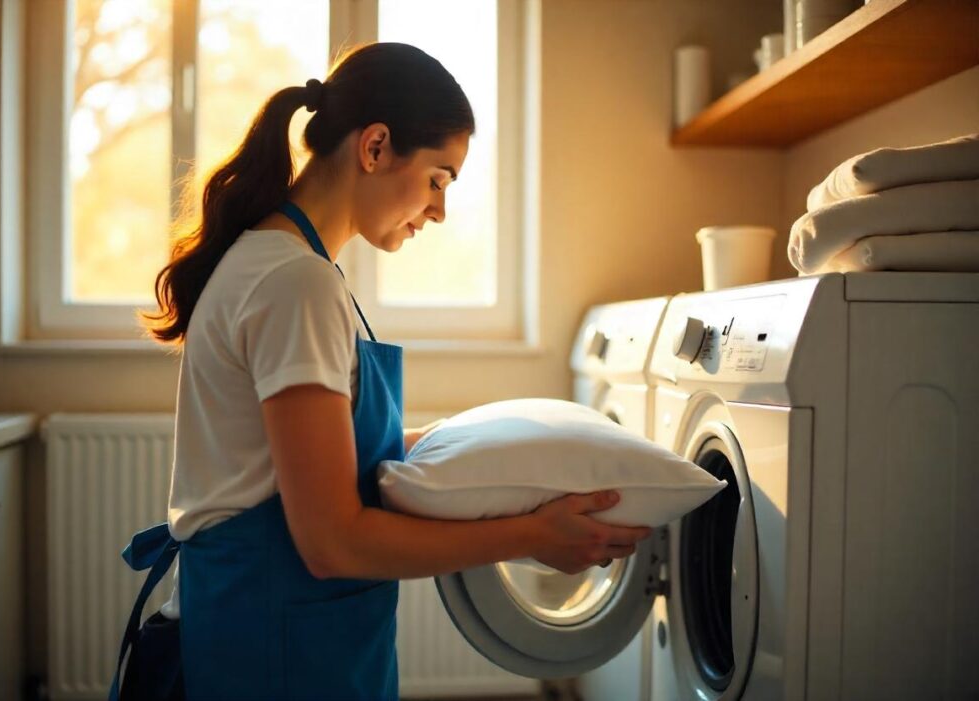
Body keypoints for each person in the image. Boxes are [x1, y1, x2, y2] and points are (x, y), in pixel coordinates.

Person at [111, 42, 651, 701]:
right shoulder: (294, 284)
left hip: (280, 629)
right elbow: (332, 542)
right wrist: (533, 535)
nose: (440, 210)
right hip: (269, 647)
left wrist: (480, 442)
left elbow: (332, 459)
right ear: (374, 148)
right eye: (438, 178)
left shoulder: (294, 269)